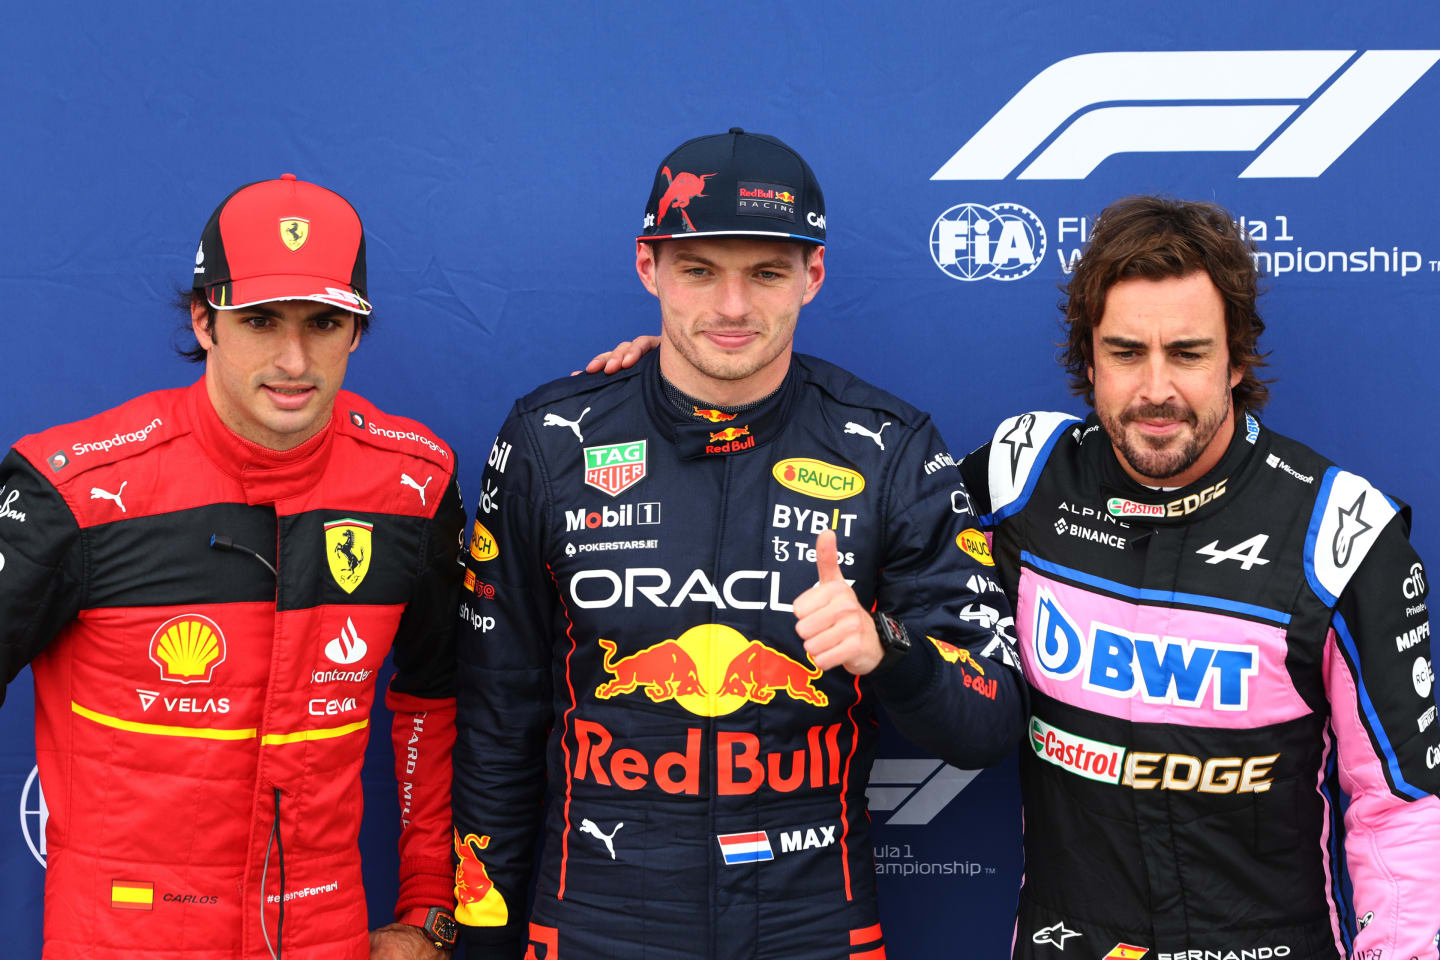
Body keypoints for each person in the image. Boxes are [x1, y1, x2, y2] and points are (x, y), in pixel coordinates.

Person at [451, 128, 1026, 959]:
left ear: (812, 277)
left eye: (764, 274)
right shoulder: (551, 441)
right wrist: (481, 936)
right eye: (699, 271)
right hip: (600, 919)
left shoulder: (889, 447)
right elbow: (498, 719)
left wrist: (887, 647)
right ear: (648, 267)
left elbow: (990, 719)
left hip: (811, 924)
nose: (730, 308)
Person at [956, 196, 1440, 959]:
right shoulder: (1024, 477)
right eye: (1124, 352)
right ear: (1087, 357)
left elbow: (1401, 807)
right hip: (1066, 937)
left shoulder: (1340, 531)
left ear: (1236, 357)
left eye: (1187, 353)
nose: (1155, 391)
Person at [0, 175, 464, 959]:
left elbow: (437, 699)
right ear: (203, 320)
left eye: (324, 322)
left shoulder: (414, 484)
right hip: (121, 936)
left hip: (322, 934)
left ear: (356, 330)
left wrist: (428, 909)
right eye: (259, 321)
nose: (293, 359)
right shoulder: (69, 489)